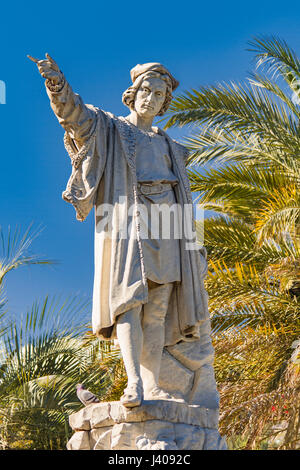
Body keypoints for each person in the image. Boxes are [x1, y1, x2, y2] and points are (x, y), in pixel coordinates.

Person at [28, 54, 209, 407]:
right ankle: (134, 383)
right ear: (133, 92)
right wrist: (57, 85)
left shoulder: (172, 146)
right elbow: (74, 116)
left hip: (168, 220)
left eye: (159, 94)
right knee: (128, 300)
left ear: (165, 101)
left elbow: (186, 199)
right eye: (146, 90)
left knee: (157, 307)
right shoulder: (111, 127)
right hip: (127, 216)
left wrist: (195, 245)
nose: (151, 98)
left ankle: (153, 383)